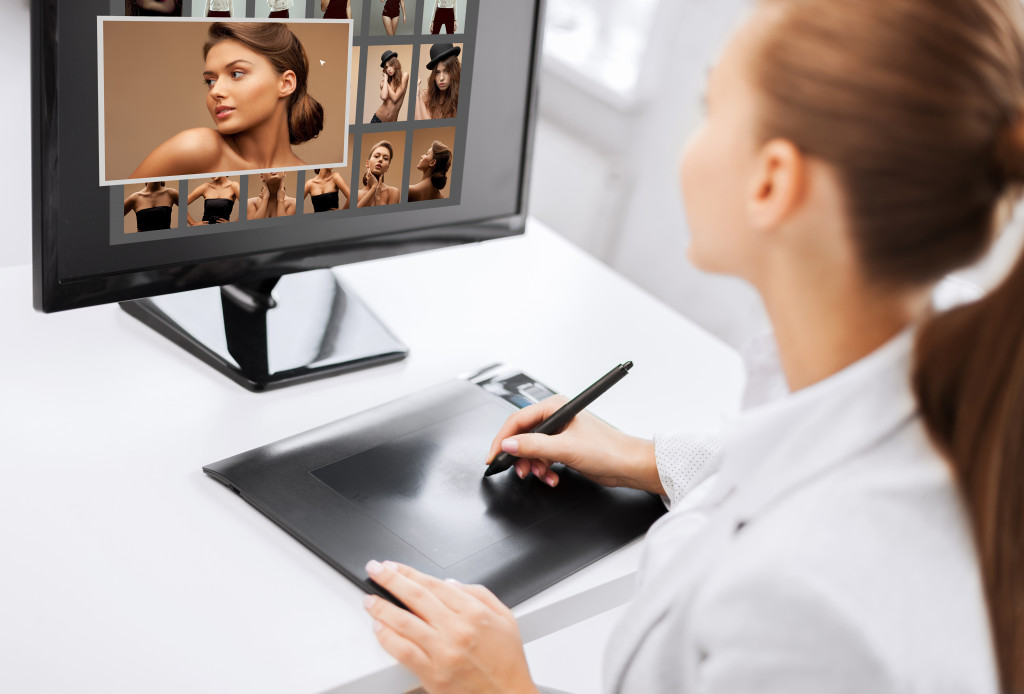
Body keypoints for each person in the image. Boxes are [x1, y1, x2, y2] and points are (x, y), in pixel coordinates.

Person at [361, 0, 1024, 692]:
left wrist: (505, 688)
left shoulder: (806, 605)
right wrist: (645, 458)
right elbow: (804, 455)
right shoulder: (942, 347)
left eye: (711, 108)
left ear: (771, 181)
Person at [131, 22, 324, 179]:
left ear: (286, 83)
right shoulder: (196, 147)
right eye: (210, 81)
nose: (215, 91)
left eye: (236, 73)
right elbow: (106, 213)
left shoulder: (310, 177)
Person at [415, 43, 460, 120]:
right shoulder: (424, 96)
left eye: (446, 71)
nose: (441, 78)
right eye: (437, 72)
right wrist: (417, 96)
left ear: (454, 72)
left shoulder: (458, 98)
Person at [371, 51, 410, 123]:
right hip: (377, 120)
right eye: (386, 67)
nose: (389, 69)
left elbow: (395, 98)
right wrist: (385, 79)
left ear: (395, 64)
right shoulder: (385, 82)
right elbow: (384, 97)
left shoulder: (404, 76)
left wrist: (386, 84)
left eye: (391, 65)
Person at [358, 141, 400, 207]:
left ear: (387, 168)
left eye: (385, 158)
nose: (380, 160)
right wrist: (373, 188)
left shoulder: (393, 192)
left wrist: (377, 199)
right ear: (367, 163)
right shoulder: (357, 195)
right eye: (377, 156)